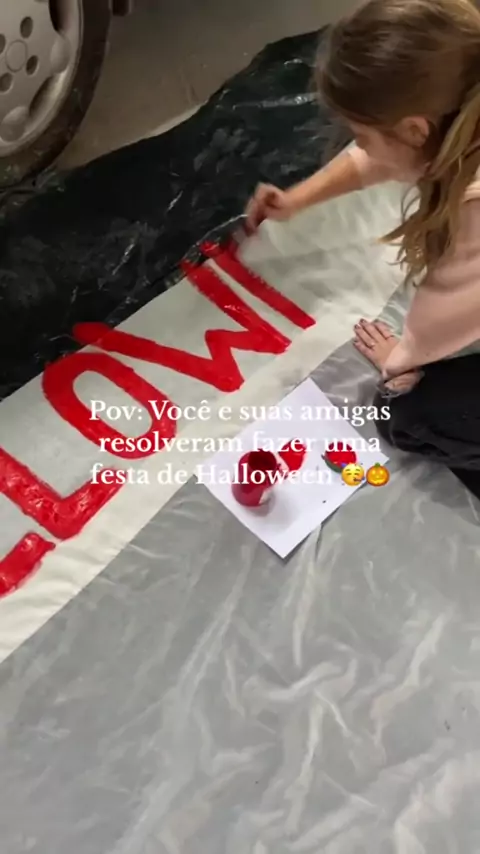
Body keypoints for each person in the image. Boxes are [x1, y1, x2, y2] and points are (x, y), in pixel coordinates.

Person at [245, 0, 480, 500]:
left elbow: (445, 316)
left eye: (361, 135)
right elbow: (384, 154)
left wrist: (402, 360)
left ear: (415, 129)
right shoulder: (460, 101)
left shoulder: (475, 210)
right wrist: (297, 200)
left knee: (404, 412)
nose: (360, 145)